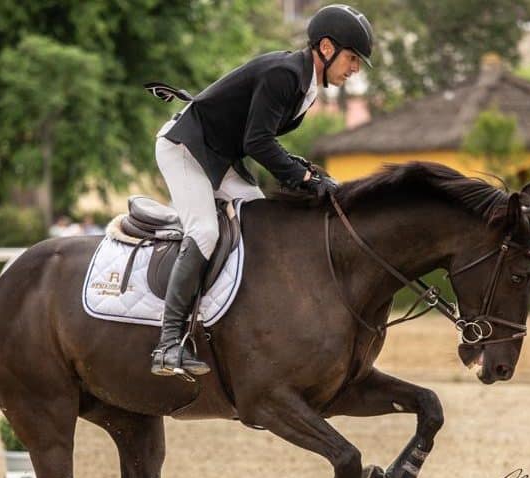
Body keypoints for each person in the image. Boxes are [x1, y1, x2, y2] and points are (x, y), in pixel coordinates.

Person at [147, 4, 373, 377]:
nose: (355, 69)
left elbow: (258, 140)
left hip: (221, 156)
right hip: (186, 147)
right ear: (328, 48)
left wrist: (303, 170)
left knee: (262, 227)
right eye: (352, 58)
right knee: (204, 232)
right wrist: (301, 179)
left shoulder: (309, 85)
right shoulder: (285, 75)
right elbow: (257, 142)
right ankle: (168, 343)